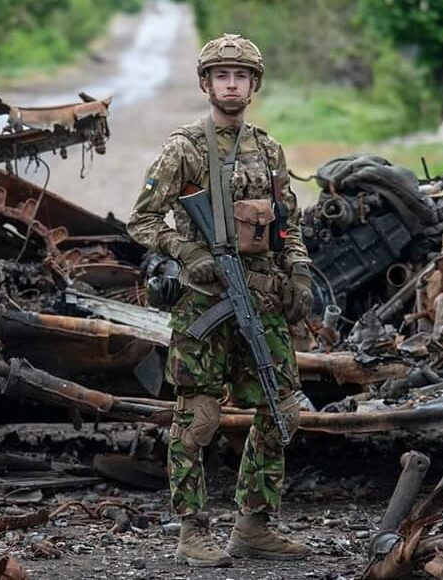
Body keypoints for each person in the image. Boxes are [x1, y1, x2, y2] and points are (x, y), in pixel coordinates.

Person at [127, 33, 314, 567]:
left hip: (263, 298)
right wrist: (186, 249)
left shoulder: (270, 149)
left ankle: (253, 525)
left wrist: (298, 272)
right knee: (199, 418)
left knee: (282, 412)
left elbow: (288, 224)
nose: (231, 84)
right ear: (206, 84)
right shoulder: (183, 146)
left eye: (241, 76)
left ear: (253, 85)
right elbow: (142, 219)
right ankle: (191, 530)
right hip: (205, 302)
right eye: (221, 76)